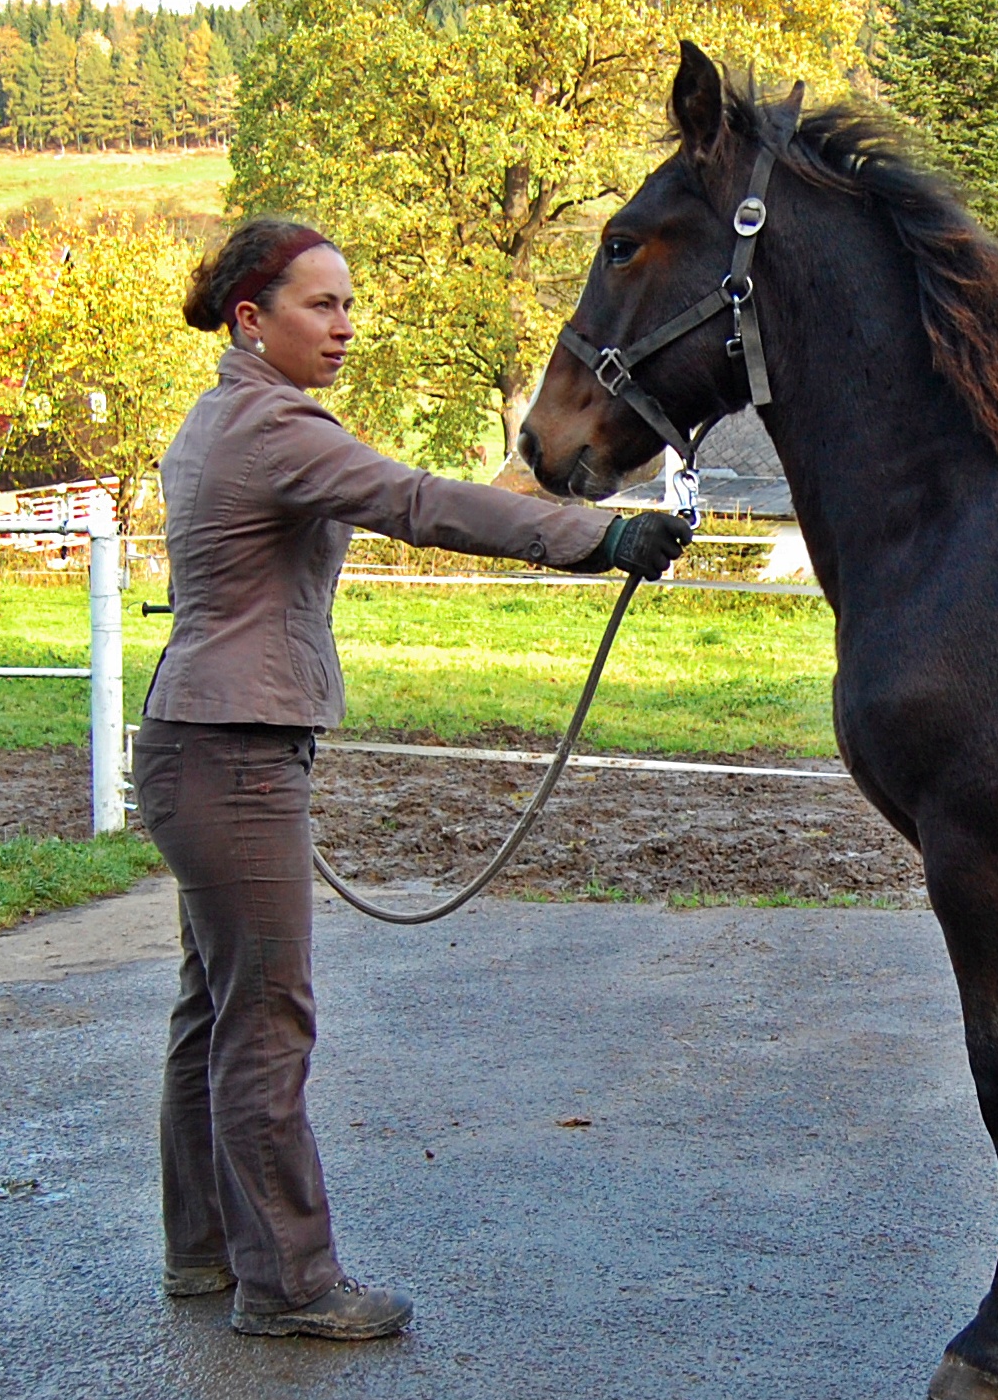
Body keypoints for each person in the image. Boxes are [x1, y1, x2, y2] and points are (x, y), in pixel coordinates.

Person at [136, 218, 693, 1340]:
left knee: (216, 1013)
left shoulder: (226, 415)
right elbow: (420, 504)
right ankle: (288, 1286)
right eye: (319, 306)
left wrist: (570, 512)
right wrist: (598, 539)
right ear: (252, 317)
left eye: (348, 305)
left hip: (201, 740)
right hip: (235, 750)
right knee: (265, 1023)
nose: (344, 327)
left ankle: (207, 1254)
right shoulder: (271, 427)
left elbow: (423, 498)